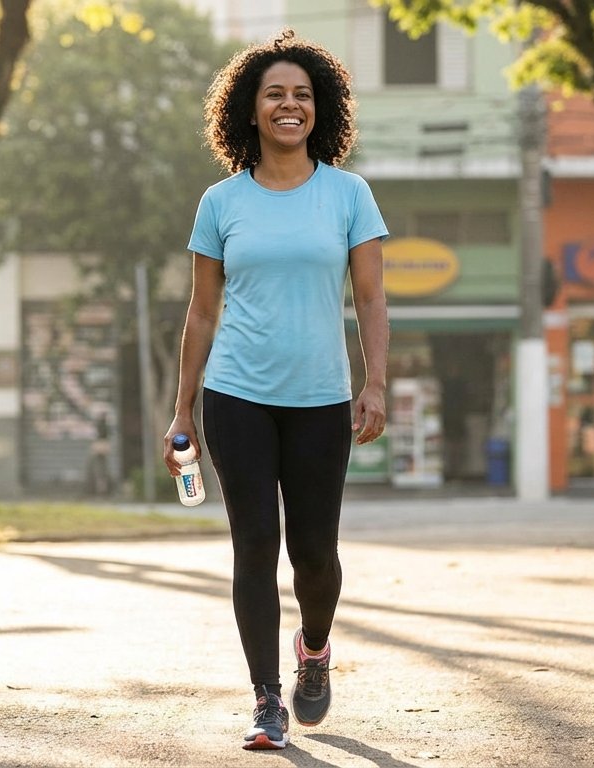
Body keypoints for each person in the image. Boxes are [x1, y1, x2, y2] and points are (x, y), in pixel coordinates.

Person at [163, 29, 388, 751]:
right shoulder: (220, 202)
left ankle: (314, 652)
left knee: (314, 553)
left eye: (302, 95)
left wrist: (374, 382)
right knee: (255, 543)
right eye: (275, 95)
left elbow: (373, 300)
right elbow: (201, 310)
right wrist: (182, 409)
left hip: (321, 397)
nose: (289, 106)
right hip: (237, 396)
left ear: (320, 108)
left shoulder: (348, 194)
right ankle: (266, 699)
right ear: (250, 111)